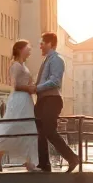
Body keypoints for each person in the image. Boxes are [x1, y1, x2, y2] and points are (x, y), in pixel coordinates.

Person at [33, 31, 81, 173]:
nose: (40, 46)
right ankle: (44, 164)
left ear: (49, 44)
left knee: (49, 130)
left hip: (52, 100)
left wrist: (37, 88)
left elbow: (55, 81)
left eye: (42, 43)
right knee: (40, 131)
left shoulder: (57, 60)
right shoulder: (47, 60)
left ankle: (72, 158)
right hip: (43, 100)